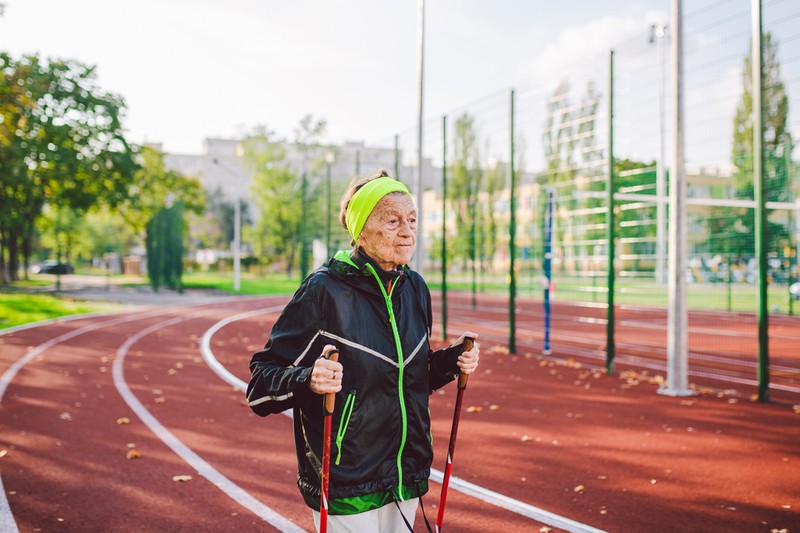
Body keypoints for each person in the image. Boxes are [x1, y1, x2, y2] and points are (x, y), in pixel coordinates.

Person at [246, 170, 480, 533]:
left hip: (405, 474)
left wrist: (451, 361)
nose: (407, 231)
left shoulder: (414, 288)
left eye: (413, 220)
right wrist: (310, 378)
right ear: (361, 231)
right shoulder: (323, 291)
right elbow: (260, 385)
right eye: (392, 220)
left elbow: (407, 376)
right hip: (347, 482)